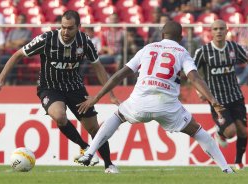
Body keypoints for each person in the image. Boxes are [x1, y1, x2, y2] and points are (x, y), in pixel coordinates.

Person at [76, 21, 234, 174]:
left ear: (162, 34)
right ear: (180, 38)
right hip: (167, 106)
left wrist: (96, 97)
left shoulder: (147, 48)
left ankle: (89, 153)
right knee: (198, 132)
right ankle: (226, 169)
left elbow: (119, 75)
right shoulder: (182, 52)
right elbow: (194, 78)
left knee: (117, 116)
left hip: (139, 102)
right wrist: (213, 101)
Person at [0, 10, 120, 174]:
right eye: (63, 27)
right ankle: (85, 147)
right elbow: (18, 54)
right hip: (50, 87)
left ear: (78, 27)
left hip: (75, 87)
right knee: (59, 116)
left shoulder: (85, 42)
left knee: (94, 128)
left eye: (70, 28)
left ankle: (109, 165)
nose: (66, 32)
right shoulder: (47, 39)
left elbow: (99, 68)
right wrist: (0, 78)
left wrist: (112, 95)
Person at [193, 20, 248, 170]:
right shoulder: (203, 51)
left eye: (222, 29)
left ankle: (238, 161)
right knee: (230, 131)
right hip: (216, 99)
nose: (219, 31)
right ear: (211, 31)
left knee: (243, 129)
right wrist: (199, 92)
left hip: (236, 96)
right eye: (215, 29)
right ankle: (220, 132)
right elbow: (192, 73)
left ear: (227, 31)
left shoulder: (234, 47)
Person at [1, 14, 32, 85]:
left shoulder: (28, 32)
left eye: (22, 20)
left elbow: (24, 42)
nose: (20, 21)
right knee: (2, 60)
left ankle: (10, 81)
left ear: (25, 21)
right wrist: (17, 43)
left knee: (14, 59)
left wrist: (12, 42)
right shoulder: (12, 31)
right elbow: (7, 44)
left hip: (22, 54)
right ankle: (7, 80)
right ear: (17, 21)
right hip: (10, 53)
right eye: (19, 20)